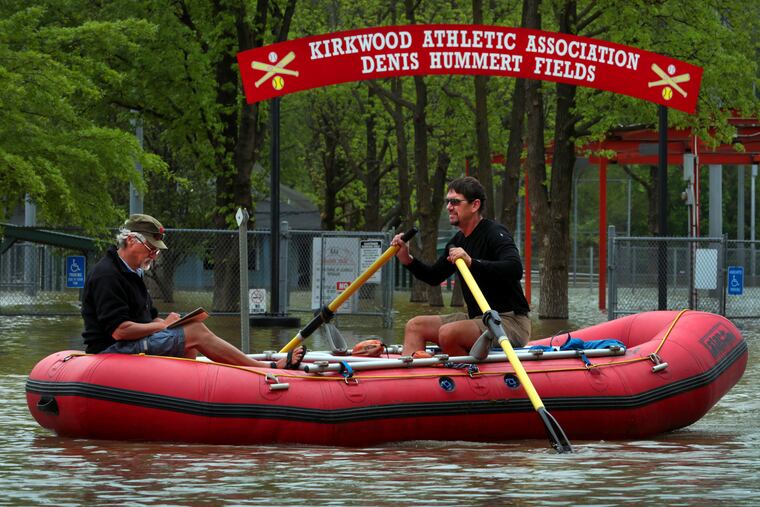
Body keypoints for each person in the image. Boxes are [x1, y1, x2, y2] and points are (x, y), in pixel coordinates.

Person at [81, 214, 303, 368]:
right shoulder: (107, 275)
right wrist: (161, 325)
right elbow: (120, 330)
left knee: (189, 327)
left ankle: (189, 389)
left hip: (128, 344)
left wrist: (168, 321)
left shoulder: (133, 272)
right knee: (195, 332)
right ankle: (266, 367)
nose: (154, 255)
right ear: (130, 240)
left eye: (157, 252)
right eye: (150, 248)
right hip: (111, 350)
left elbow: (145, 319)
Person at [391, 176, 530, 357]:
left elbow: (514, 268)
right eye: (448, 202)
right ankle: (413, 381)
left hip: (509, 321)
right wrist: (407, 259)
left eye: (455, 202)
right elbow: (434, 276)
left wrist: (472, 262)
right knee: (414, 325)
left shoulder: (495, 233)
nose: (449, 207)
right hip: (477, 319)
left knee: (448, 333)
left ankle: (465, 376)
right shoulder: (457, 241)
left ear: (475, 205)